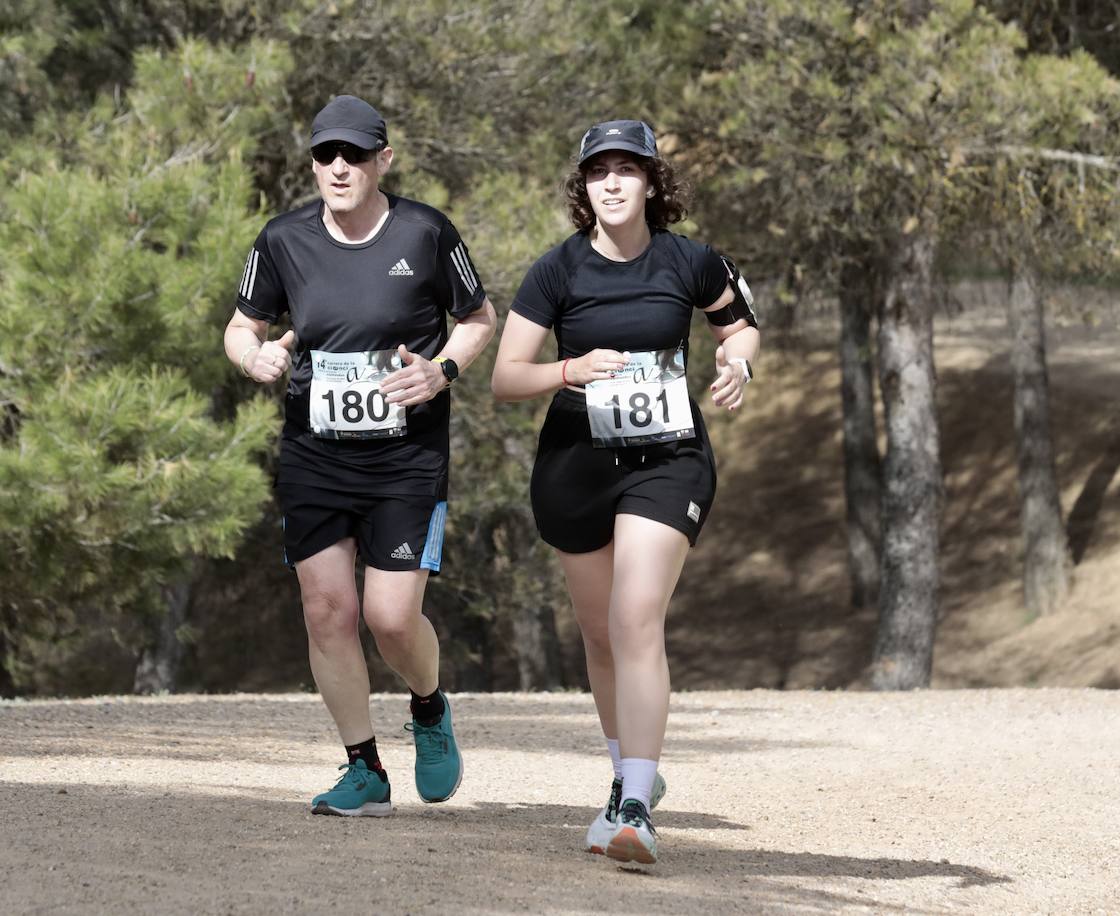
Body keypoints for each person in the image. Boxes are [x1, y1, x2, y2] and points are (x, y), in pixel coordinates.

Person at [490, 119, 760, 865]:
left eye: (627, 169)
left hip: (666, 461)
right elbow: (507, 375)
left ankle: (636, 803)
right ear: (583, 186)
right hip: (575, 464)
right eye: (598, 171)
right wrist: (567, 371)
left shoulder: (692, 259)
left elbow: (739, 327)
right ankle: (624, 778)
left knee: (636, 616)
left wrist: (738, 363)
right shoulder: (557, 270)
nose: (611, 183)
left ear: (651, 181)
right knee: (602, 633)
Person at [223, 95, 496, 816]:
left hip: (406, 455)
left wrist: (443, 371)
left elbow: (478, 319)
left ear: (384, 160)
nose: (338, 168)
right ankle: (363, 767)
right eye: (325, 155)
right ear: (312, 162)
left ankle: (430, 708)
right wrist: (251, 356)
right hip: (315, 451)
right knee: (326, 610)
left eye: (353, 155)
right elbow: (242, 324)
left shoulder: (425, 230)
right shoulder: (283, 239)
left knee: (391, 618)